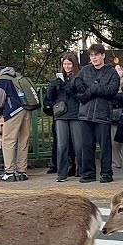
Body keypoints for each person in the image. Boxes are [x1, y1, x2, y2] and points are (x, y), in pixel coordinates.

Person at [73, 44, 120, 183]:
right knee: (86, 145)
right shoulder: (84, 70)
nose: (94, 58)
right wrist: (87, 91)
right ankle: (88, 173)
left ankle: (106, 173)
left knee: (105, 146)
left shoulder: (111, 72)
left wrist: (94, 89)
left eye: (97, 55)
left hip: (103, 113)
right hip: (85, 113)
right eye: (92, 55)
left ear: (103, 55)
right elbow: (76, 84)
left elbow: (112, 90)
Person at [46, 53, 82, 182]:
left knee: (78, 144)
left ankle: (80, 169)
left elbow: (78, 92)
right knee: (62, 145)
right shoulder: (57, 78)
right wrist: (53, 85)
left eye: (69, 64)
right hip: (61, 114)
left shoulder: (78, 76)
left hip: (75, 113)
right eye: (65, 64)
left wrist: (67, 86)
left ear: (74, 64)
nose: (67, 66)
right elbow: (50, 97)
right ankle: (62, 172)